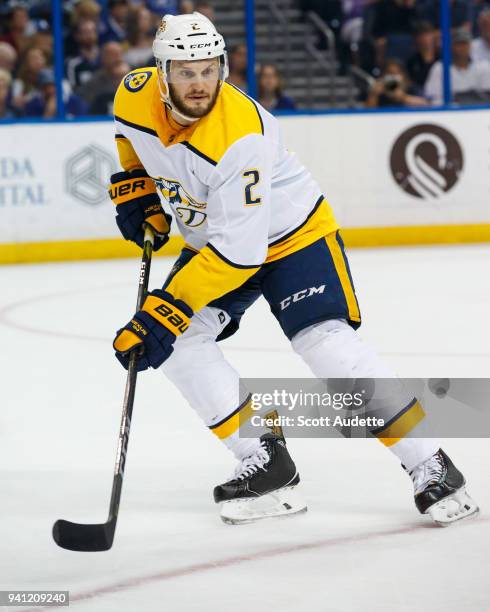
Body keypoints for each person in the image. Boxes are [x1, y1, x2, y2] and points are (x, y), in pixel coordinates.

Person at [109, 12, 478, 526]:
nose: (199, 83)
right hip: (220, 238)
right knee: (179, 342)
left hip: (291, 239)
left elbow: (240, 256)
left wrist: (161, 312)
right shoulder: (133, 93)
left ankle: (432, 464)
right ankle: (266, 459)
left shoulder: (241, 137)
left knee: (325, 344)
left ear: (223, 67)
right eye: (186, 71)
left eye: (209, 69)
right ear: (162, 72)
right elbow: (130, 140)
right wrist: (137, 187)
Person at [425, 28, 490, 104]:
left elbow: (487, 97)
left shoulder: (483, 66)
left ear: (470, 45)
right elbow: (433, 99)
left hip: (478, 113)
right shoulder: (439, 68)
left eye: (465, 43)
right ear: (451, 46)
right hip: (450, 114)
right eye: (459, 44)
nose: (463, 48)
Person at [78, 41, 124, 108]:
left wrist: (122, 77)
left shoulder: (131, 77)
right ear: (103, 57)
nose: (118, 59)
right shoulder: (94, 81)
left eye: (120, 54)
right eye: (114, 55)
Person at [66, 19, 100, 90]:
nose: (89, 36)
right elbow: (73, 89)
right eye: (85, 32)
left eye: (92, 32)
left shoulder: (105, 58)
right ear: (77, 36)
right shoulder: (73, 63)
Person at [406, 21, 438, 93]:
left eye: (428, 34)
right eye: (422, 35)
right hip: (420, 95)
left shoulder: (442, 58)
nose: (425, 38)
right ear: (416, 38)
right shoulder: (412, 61)